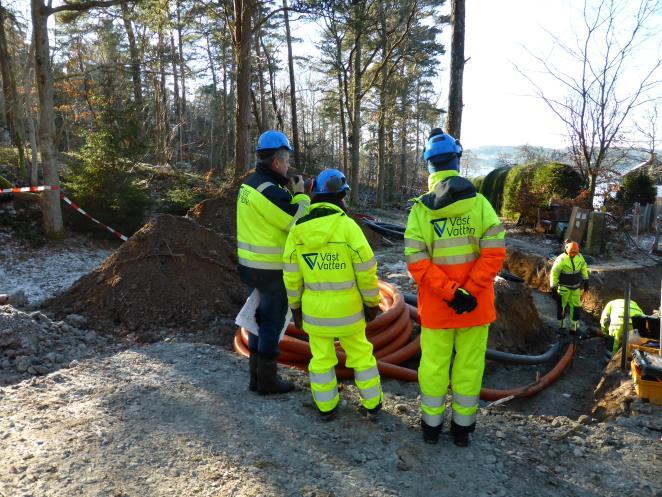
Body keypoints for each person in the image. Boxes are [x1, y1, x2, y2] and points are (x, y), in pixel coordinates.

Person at [404, 129, 506, 447]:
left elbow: (416, 261)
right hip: (475, 308)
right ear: (456, 160)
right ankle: (463, 429)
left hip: (437, 308)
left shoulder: (421, 211)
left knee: (433, 366)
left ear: (429, 166)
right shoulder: (481, 206)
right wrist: (468, 292)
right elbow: (494, 254)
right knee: (470, 366)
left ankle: (431, 428)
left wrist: (450, 292)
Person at [282, 169, 382, 421]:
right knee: (361, 355)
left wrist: (295, 307)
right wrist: (371, 303)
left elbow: (291, 275)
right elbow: (366, 270)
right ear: (341, 196)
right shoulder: (348, 227)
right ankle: (372, 404)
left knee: (321, 359)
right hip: (349, 311)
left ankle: (326, 407)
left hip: (315, 312)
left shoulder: (297, 231)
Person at [236, 130, 310, 395]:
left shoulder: (251, 184)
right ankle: (267, 381)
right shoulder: (269, 191)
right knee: (272, 322)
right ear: (277, 162)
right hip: (271, 270)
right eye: (286, 160)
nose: (289, 165)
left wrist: (287, 192)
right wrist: (301, 194)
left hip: (250, 267)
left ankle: (256, 378)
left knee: (257, 319)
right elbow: (296, 220)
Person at [549, 241, 589, 333]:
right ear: (567, 251)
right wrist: (553, 287)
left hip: (576, 288)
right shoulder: (561, 259)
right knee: (562, 307)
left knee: (576, 307)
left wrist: (586, 280)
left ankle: (573, 328)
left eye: (575, 253)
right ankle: (561, 327)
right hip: (564, 287)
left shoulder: (579, 257)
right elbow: (554, 274)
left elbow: (583, 268)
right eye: (572, 253)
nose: (573, 255)